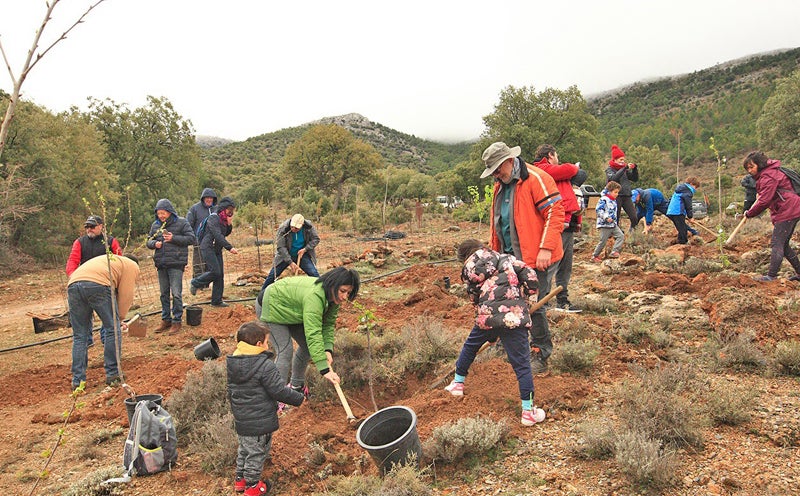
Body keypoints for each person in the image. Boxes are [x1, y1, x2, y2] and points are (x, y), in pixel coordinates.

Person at [481, 142, 565, 375]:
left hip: (537, 256)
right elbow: (500, 222)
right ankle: (506, 343)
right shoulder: (501, 185)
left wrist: (546, 248)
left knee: (533, 305)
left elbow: (555, 212)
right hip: (510, 257)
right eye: (493, 172)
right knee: (506, 299)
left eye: (498, 170)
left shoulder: (537, 178)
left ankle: (540, 351)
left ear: (509, 161)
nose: (496, 175)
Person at [444, 239, 546, 426]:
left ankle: (457, 384)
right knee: (522, 364)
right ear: (483, 248)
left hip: (487, 315)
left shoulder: (468, 269)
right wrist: (528, 297)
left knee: (470, 346)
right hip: (514, 317)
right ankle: (528, 412)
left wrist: (489, 330)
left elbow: (474, 297)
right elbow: (531, 276)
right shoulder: (506, 258)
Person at [259, 267, 360, 404]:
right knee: (285, 350)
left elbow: (328, 325)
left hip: (293, 310)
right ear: (332, 284)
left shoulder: (333, 298)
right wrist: (324, 369)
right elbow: (313, 332)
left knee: (307, 346)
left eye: (348, 293)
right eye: (342, 291)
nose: (344, 297)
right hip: (271, 304)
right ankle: (277, 398)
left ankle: (296, 387)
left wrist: (327, 349)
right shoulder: (315, 296)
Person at [227, 321, 304, 495]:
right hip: (259, 420)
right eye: (267, 342)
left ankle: (240, 480)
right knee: (257, 452)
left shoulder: (234, 362)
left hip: (242, 418)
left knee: (245, 448)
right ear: (259, 344)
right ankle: (253, 487)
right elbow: (278, 390)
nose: (268, 345)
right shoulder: (264, 365)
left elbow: (230, 390)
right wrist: (298, 399)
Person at [67, 254, 139, 390]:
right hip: (97, 284)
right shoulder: (131, 265)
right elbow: (126, 295)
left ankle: (78, 381)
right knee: (112, 329)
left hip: (73, 284)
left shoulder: (111, 261)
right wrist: (119, 319)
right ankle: (112, 374)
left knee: (80, 335)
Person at [533, 144, 582, 313]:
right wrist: (574, 168)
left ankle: (562, 299)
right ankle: (543, 302)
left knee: (565, 265)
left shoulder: (549, 172)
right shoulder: (543, 169)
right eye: (557, 155)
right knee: (552, 263)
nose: (558, 159)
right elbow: (569, 169)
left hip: (567, 222)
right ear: (550, 156)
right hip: (558, 223)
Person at [65, 215, 124, 346]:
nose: (89, 229)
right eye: (87, 227)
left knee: (108, 313)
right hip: (85, 279)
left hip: (106, 282)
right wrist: (73, 276)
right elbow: (73, 260)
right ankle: (87, 339)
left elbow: (119, 259)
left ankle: (106, 338)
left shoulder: (110, 241)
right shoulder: (80, 242)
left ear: (101, 226)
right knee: (85, 313)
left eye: (92, 226)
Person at [742, 151, 800, 282]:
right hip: (789, 208)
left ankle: (771, 276)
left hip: (788, 209)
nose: (749, 171)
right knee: (783, 244)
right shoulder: (768, 174)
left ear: (760, 164)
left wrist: (750, 213)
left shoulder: (769, 176)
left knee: (777, 242)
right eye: (747, 168)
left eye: (752, 167)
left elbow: (764, 201)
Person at [146, 199, 196, 334]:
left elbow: (191, 238)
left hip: (176, 263)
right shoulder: (156, 225)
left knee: (176, 294)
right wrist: (154, 244)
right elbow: (148, 240)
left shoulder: (182, 222)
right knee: (163, 294)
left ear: (169, 212)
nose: (161, 216)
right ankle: (166, 319)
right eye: (158, 213)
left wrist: (173, 238)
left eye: (163, 213)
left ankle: (177, 320)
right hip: (161, 263)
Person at [190, 196, 239, 307]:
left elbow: (225, 234)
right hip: (207, 247)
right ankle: (195, 282)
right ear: (223, 208)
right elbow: (217, 235)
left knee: (220, 274)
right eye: (229, 210)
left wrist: (229, 224)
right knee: (215, 271)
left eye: (232, 210)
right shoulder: (214, 218)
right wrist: (229, 247)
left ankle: (216, 301)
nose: (231, 212)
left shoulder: (224, 219)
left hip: (216, 249)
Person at [258, 214, 320, 291]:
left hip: (302, 255)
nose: (293, 229)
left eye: (296, 228)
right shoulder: (283, 228)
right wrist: (290, 262)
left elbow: (316, 239)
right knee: (272, 276)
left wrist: (305, 249)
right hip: (284, 256)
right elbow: (281, 247)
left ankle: (321, 292)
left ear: (302, 225)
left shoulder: (309, 227)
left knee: (314, 274)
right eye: (292, 227)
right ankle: (262, 295)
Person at [605, 144, 639, 231]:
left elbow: (635, 179)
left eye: (623, 160)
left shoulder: (625, 170)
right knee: (616, 217)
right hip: (616, 196)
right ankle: (616, 234)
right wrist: (624, 168)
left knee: (634, 217)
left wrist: (635, 169)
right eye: (620, 160)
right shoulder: (609, 169)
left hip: (626, 196)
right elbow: (613, 178)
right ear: (615, 159)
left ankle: (632, 231)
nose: (622, 161)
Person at [186, 188, 218, 279]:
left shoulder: (216, 209)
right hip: (199, 242)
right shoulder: (195, 209)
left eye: (211, 198)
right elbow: (188, 225)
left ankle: (206, 284)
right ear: (203, 198)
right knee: (198, 264)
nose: (209, 200)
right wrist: (194, 239)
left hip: (213, 242)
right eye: (207, 198)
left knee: (210, 264)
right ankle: (198, 284)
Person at [591, 181, 625, 262]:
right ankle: (594, 256)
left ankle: (614, 251)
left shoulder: (613, 201)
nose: (617, 194)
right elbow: (599, 210)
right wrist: (606, 218)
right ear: (609, 191)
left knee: (620, 236)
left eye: (617, 192)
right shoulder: (603, 199)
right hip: (605, 224)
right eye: (615, 192)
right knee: (603, 241)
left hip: (613, 224)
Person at [666, 176, 701, 245]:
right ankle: (683, 244)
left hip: (672, 211)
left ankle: (679, 241)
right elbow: (688, 205)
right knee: (683, 229)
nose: (695, 189)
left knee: (681, 227)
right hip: (678, 211)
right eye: (695, 186)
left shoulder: (681, 189)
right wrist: (690, 217)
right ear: (691, 184)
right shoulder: (688, 191)